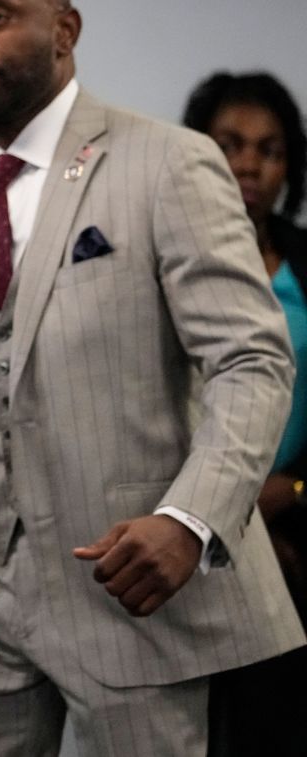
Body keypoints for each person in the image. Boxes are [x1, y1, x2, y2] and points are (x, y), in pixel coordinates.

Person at [0, 0, 304, 756]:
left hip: (129, 588)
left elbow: (253, 360)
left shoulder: (169, 163)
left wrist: (189, 518)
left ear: (65, 30)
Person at [183, 71, 307, 757]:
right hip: (185, 531)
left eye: (269, 149)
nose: (249, 165)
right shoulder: (156, 252)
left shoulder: (302, 265)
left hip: (295, 530)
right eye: (229, 144)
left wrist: (292, 489)